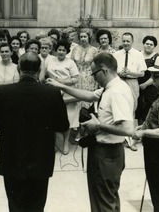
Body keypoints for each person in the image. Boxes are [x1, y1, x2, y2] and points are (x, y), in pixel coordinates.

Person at [47, 53, 134, 212]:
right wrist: (62, 86)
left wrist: (99, 125)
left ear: (105, 70)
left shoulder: (116, 93)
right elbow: (90, 96)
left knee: (103, 203)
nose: (93, 77)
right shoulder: (112, 87)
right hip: (108, 152)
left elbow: (128, 129)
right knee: (108, 199)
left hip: (106, 153)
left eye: (94, 73)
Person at [0, 52, 69, 211]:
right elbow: (63, 125)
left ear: (19, 70)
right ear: (39, 71)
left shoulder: (4, 92)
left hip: (12, 159)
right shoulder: (51, 93)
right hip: (41, 159)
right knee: (37, 206)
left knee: (15, 205)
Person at [132, 56, 159, 212]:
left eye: (156, 76)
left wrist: (143, 132)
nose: (153, 79)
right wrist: (143, 127)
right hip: (154, 150)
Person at [40, 39, 79, 155]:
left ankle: (66, 143)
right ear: (56, 50)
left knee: (67, 118)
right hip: (52, 92)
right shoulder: (49, 61)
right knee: (52, 118)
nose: (61, 52)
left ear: (67, 51)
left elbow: (76, 78)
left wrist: (62, 82)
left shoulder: (70, 62)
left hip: (67, 92)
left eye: (63, 50)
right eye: (59, 50)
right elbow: (43, 75)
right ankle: (52, 143)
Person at [114, 32, 147, 151]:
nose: (125, 43)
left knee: (131, 110)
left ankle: (131, 140)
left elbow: (142, 73)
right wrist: (119, 73)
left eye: (128, 41)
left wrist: (130, 73)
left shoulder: (138, 54)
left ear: (132, 42)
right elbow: (113, 70)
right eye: (124, 41)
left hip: (132, 83)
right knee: (119, 109)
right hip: (119, 82)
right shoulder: (116, 54)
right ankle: (119, 138)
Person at [135, 36, 159, 125]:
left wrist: (145, 84)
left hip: (150, 89)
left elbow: (156, 76)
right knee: (139, 110)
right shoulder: (138, 54)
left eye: (151, 44)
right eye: (147, 44)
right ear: (143, 44)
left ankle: (147, 133)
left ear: (154, 46)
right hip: (137, 88)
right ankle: (139, 133)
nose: (148, 46)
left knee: (148, 110)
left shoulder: (157, 57)